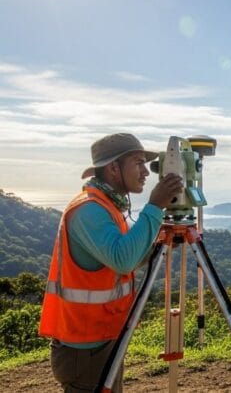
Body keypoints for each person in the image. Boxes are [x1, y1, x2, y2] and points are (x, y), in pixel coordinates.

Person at [38, 133, 184, 392]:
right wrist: (154, 207)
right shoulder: (89, 210)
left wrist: (155, 243)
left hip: (99, 340)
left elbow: (129, 255)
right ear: (113, 168)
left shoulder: (107, 206)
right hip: (83, 349)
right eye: (138, 162)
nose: (145, 172)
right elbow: (123, 261)